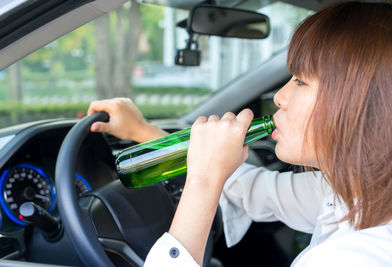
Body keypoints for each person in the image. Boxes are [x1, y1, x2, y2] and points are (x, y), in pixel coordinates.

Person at [87, 2, 392, 266]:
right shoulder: (351, 192)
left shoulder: (354, 257)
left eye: (300, 81)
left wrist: (202, 182)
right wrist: (142, 131)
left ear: (363, 102)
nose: (279, 97)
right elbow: (256, 191)